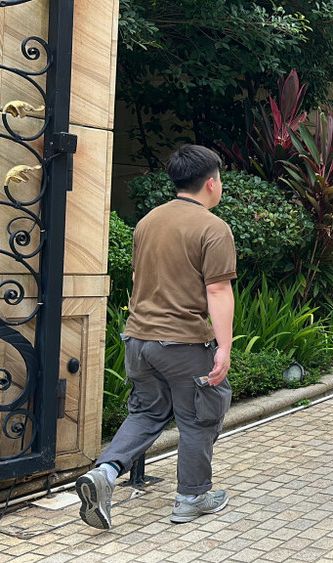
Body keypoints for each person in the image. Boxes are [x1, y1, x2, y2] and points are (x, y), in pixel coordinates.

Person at [76, 145, 236, 529]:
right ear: (211, 183)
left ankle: (105, 472)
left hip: (138, 340)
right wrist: (224, 348)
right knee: (199, 417)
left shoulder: (148, 221)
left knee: (147, 412)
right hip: (183, 343)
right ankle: (192, 497)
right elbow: (217, 291)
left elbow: (137, 278)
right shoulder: (213, 228)